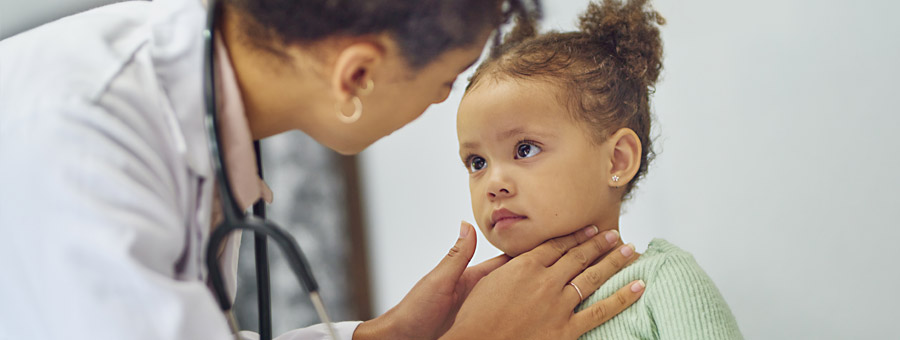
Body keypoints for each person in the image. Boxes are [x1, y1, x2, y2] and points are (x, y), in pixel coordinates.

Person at [0, 0, 646, 339]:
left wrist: (380, 339)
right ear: (356, 76)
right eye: (445, 78)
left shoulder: (188, 115)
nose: (442, 99)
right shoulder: (79, 140)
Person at [455, 0, 743, 339]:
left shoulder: (660, 283)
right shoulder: (479, 317)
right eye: (477, 162)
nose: (494, 183)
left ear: (617, 160)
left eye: (524, 149)